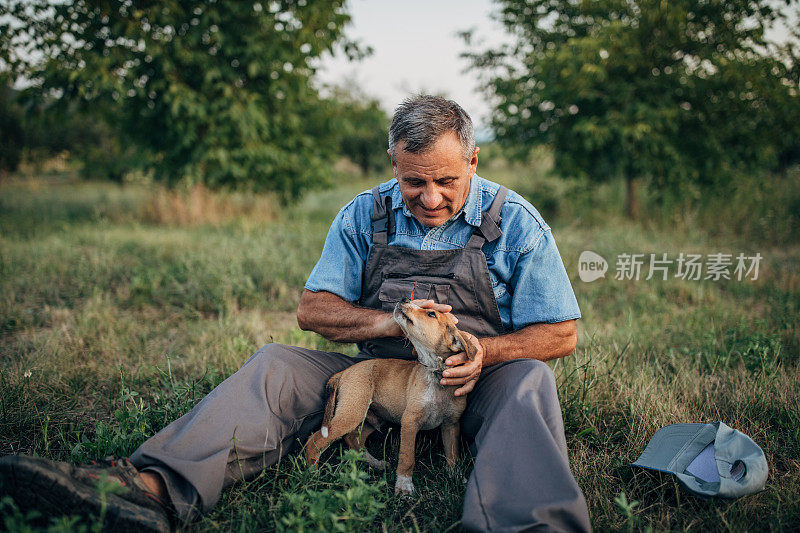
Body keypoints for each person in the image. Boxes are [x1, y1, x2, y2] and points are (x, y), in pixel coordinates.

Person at [0, 95, 591, 532]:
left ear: (473, 160)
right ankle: (150, 489)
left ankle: (529, 525)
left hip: (475, 383)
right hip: (381, 380)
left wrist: (490, 353)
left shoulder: (514, 222)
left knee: (531, 382)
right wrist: (393, 324)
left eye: (446, 180)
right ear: (392, 164)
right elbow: (313, 310)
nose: (431, 197)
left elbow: (561, 333)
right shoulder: (365, 216)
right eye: (414, 182)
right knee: (277, 365)